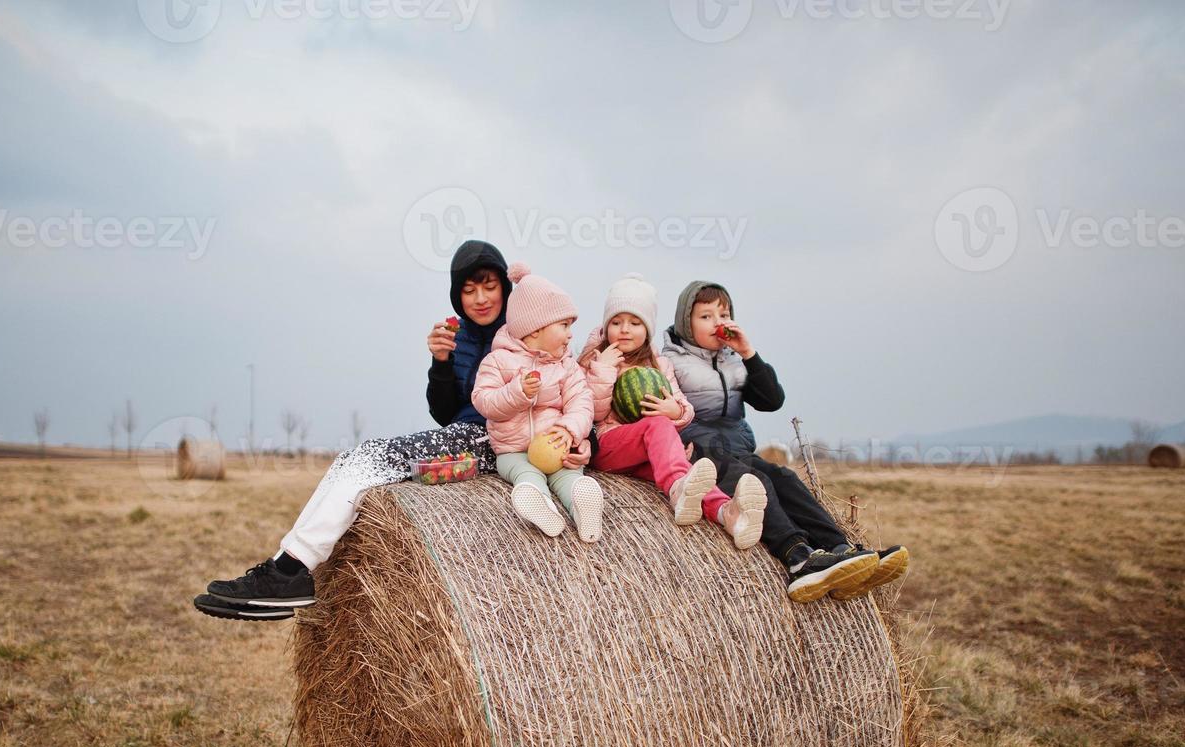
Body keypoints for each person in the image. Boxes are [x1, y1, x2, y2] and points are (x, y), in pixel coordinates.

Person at [194, 241, 592, 620]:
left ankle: (288, 571)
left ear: (507, 287)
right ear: (458, 298)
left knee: (370, 457)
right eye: (468, 290)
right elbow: (445, 412)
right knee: (356, 457)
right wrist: (440, 363)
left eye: (489, 286)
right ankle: (288, 567)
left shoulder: (536, 329)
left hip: (492, 444)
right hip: (462, 433)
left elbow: (576, 391)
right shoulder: (459, 338)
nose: (481, 298)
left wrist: (582, 442)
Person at [661, 280, 910, 602]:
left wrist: (748, 353)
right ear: (685, 321)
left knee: (784, 477)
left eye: (723, 314)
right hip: (701, 451)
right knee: (757, 482)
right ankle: (798, 557)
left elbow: (771, 400)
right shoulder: (669, 360)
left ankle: (841, 549)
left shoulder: (732, 363)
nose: (717, 323)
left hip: (737, 447)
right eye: (705, 316)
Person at [577, 273, 767, 548]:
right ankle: (679, 489)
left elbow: (685, 408)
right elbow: (592, 412)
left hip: (645, 451)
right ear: (606, 327)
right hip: (608, 445)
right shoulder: (594, 360)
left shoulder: (660, 365)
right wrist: (604, 369)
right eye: (616, 322)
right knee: (663, 436)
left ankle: (728, 513)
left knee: (688, 474)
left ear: (648, 328)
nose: (625, 329)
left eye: (634, 322)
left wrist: (674, 411)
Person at [471, 263, 603, 542]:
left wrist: (568, 430)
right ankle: (541, 507)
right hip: (513, 451)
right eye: (564, 325)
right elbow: (484, 400)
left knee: (569, 476)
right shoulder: (498, 361)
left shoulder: (567, 366)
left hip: (556, 447)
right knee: (527, 475)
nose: (570, 334)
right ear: (534, 331)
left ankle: (583, 507)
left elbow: (582, 402)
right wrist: (517, 392)